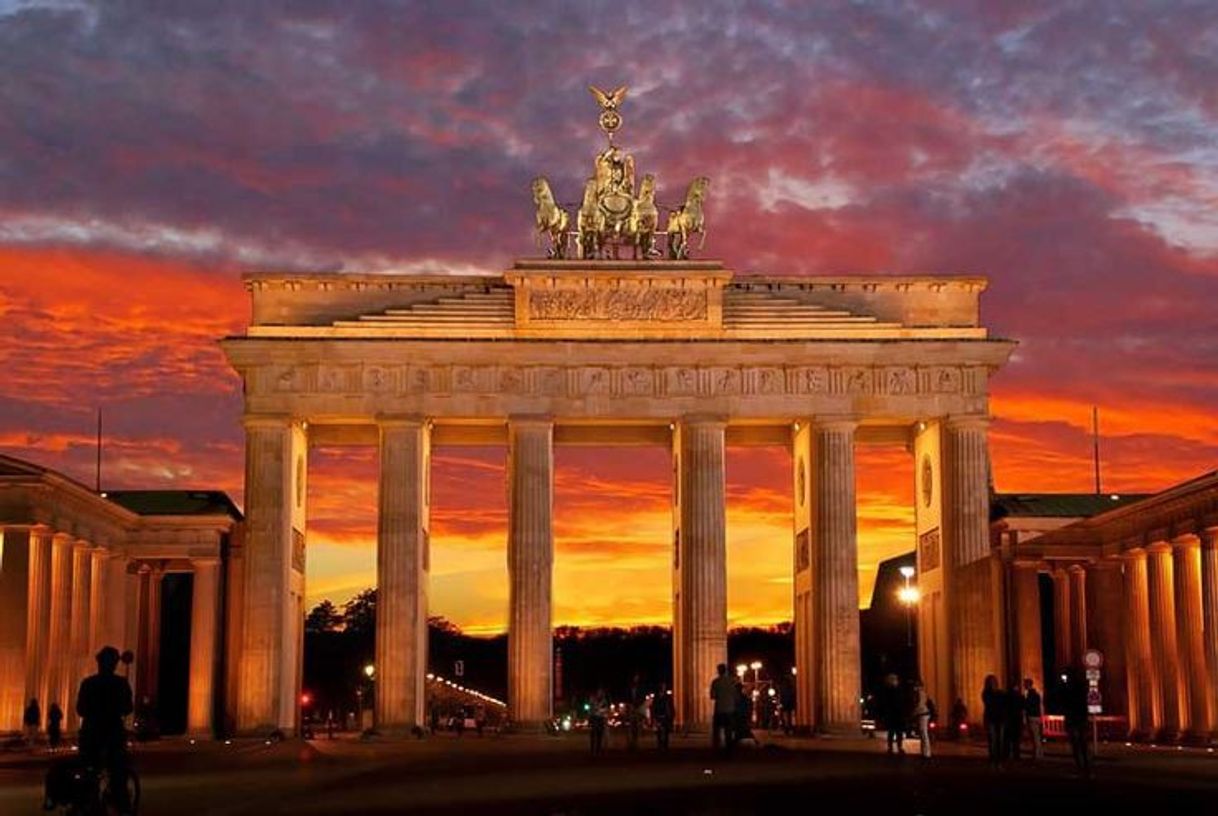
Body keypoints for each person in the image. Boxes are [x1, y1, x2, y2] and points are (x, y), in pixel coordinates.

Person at [76, 646, 134, 814]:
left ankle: (86, 800)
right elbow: (128, 708)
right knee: (118, 769)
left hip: (90, 733)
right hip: (112, 733)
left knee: (88, 769)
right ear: (115, 664)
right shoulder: (121, 683)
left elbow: (80, 709)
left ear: (98, 663)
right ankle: (121, 804)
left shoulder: (88, 683)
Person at [1062, 667, 1091, 776]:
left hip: (1073, 719)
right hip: (1080, 718)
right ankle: (1085, 766)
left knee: (1076, 744)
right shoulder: (1081, 688)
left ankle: (1081, 765)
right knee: (1082, 744)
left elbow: (1064, 702)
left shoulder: (1069, 689)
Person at [709, 664, 736, 755]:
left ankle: (717, 751)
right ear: (726, 670)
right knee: (728, 732)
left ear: (718, 671)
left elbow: (712, 696)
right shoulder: (732, 681)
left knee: (717, 732)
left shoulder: (715, 682)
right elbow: (736, 696)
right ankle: (729, 751)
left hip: (719, 709)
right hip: (730, 709)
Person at [981, 675, 1005, 767]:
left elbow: (1003, 704)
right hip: (991, 718)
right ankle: (993, 759)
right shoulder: (986, 693)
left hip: (1000, 719)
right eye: (991, 682)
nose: (993, 684)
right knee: (993, 740)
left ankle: (999, 760)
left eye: (994, 682)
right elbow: (989, 703)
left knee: (1000, 741)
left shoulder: (999, 693)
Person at [880, 674, 906, 755]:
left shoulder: (894, 690)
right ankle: (894, 747)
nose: (896, 681)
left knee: (896, 732)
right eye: (894, 679)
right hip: (894, 714)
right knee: (894, 732)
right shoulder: (892, 691)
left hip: (895, 714)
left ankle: (896, 747)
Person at [910, 679, 932, 759]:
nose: (914, 687)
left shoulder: (920, 693)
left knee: (924, 733)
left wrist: (913, 713)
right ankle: (925, 752)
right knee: (923, 733)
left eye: (915, 685)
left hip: (922, 714)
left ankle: (926, 753)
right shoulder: (922, 693)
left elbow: (919, 705)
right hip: (923, 714)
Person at [1023, 678, 1044, 760]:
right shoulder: (1036, 694)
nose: (1024, 686)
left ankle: (1037, 754)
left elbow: (1028, 706)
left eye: (1025, 684)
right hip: (1036, 716)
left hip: (1032, 716)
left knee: (1035, 737)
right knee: (1037, 736)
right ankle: (1039, 753)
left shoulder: (1030, 695)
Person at [1005, 681, 1026, 760]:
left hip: (1010, 719)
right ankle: (1016, 755)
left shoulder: (1007, 696)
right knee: (1016, 739)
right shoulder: (1020, 696)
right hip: (1016, 719)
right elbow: (1023, 707)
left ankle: (1007, 754)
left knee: (1009, 739)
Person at [653, 682, 674, 750]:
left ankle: (665, 746)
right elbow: (654, 707)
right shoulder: (657, 697)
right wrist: (654, 716)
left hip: (665, 716)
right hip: (659, 715)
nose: (664, 688)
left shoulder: (667, 697)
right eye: (663, 686)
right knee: (659, 732)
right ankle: (660, 745)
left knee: (666, 732)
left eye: (664, 686)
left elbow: (671, 706)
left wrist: (672, 715)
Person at [625, 675, 644, 751]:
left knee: (637, 727)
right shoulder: (629, 689)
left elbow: (642, 698)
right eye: (635, 678)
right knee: (630, 728)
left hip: (637, 709)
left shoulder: (641, 689)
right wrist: (629, 705)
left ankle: (636, 743)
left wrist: (638, 706)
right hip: (631, 709)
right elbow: (627, 698)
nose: (636, 679)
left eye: (637, 678)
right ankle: (630, 744)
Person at [588, 688, 608, 755]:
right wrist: (590, 719)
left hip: (600, 719)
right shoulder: (593, 699)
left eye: (601, 692)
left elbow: (605, 710)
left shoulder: (604, 701)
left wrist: (599, 710)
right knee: (593, 735)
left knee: (599, 735)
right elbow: (590, 709)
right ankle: (592, 750)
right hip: (594, 718)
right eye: (599, 692)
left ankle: (598, 750)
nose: (600, 693)